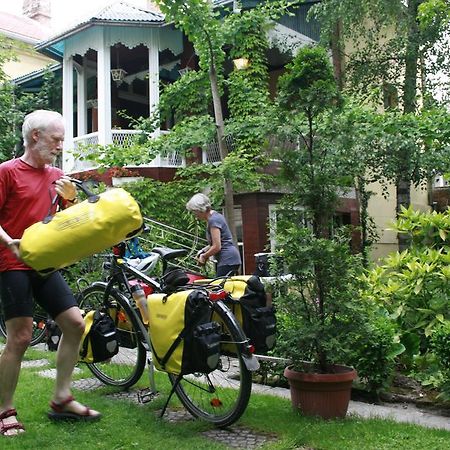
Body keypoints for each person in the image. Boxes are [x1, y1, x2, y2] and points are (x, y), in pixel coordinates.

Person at [0, 110, 101, 436]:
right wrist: (10, 242)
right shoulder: (7, 173)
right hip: (11, 263)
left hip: (44, 263)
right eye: (56, 139)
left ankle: (61, 398)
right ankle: (4, 411)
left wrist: (69, 203)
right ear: (35, 137)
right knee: (21, 337)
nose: (60, 145)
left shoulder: (57, 175)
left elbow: (61, 222)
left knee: (74, 323)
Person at [186, 193, 241, 276]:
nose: (195, 215)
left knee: (217, 287)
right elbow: (217, 242)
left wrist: (204, 256)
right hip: (231, 258)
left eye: (195, 211)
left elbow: (217, 246)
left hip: (227, 259)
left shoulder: (213, 220)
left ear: (201, 209)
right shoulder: (216, 216)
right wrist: (202, 251)